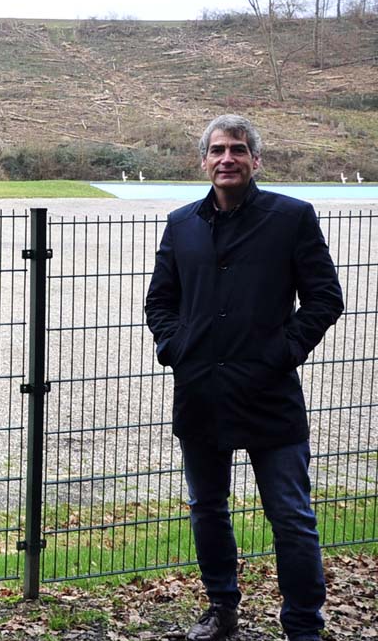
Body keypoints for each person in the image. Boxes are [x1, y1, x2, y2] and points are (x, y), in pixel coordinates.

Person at [145, 114, 343, 641]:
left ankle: (304, 625)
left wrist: (282, 351)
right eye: (217, 150)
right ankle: (222, 610)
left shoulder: (291, 217)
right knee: (207, 508)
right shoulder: (182, 223)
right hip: (200, 393)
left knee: (291, 517)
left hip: (269, 393)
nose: (226, 158)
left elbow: (325, 297)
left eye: (237, 149)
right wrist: (175, 347)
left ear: (256, 159)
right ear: (203, 161)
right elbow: (160, 299)